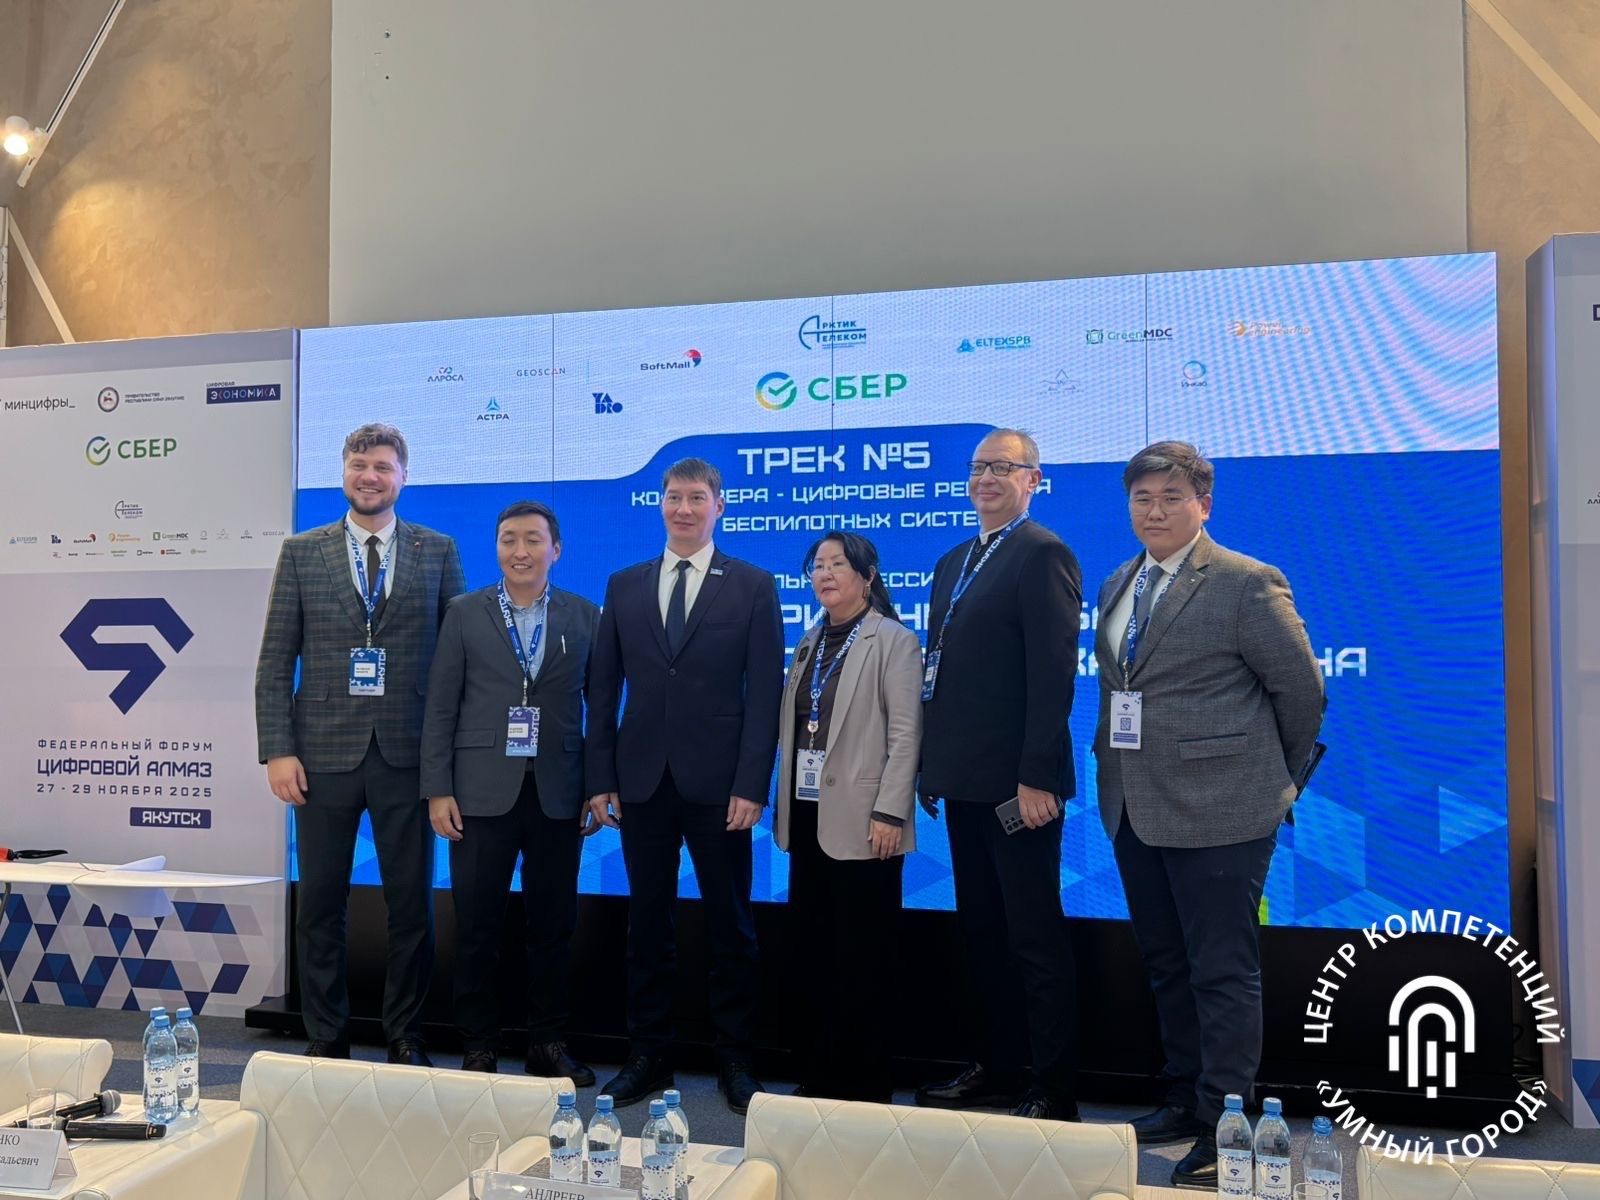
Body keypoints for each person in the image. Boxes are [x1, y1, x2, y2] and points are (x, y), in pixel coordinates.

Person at [1093, 441, 1323, 1188]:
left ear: (1204, 504)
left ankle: (1229, 1127)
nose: (1154, 511)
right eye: (1142, 498)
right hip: (1133, 803)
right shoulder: (1119, 581)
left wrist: (1271, 783)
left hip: (1225, 809)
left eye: (1171, 497)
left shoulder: (1246, 581)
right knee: (1166, 962)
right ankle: (1185, 1099)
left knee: (1222, 970)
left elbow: (1302, 692)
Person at [255, 423, 466, 1063]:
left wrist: (449, 759)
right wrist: (277, 749)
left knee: (411, 905)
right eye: (358, 464)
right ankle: (327, 1034)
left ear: (403, 476)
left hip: (409, 754)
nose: (369, 476)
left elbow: (457, 663)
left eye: (381, 466)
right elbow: (275, 660)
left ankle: (405, 1034)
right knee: (320, 903)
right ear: (343, 472)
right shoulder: (301, 551)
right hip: (320, 756)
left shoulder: (438, 550)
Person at [585, 457, 784, 1114]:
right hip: (641, 782)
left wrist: (752, 783)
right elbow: (603, 691)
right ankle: (648, 1055)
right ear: (660, 504)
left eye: (697, 498)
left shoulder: (752, 585)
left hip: (721, 787)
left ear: (718, 506)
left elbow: (766, 696)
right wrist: (601, 777)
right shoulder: (625, 585)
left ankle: (736, 1058)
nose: (684, 509)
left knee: (731, 925)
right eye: (674, 497)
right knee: (648, 924)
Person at [915, 428, 1083, 1122]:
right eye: (979, 467)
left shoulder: (1042, 553)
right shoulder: (954, 561)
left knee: (1033, 937)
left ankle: (1053, 1084)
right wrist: (931, 765)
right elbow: (941, 673)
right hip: (963, 781)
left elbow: (1053, 672)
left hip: (1020, 791)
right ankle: (998, 1066)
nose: (986, 477)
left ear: (1032, 480)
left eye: (1003, 467)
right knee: (982, 934)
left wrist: (1037, 775)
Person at [419, 500, 600, 1083]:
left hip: (559, 793)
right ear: (496, 547)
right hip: (477, 793)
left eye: (532, 540)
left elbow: (601, 710)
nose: (520, 551)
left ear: (556, 549)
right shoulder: (464, 613)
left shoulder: (585, 615)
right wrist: (437, 788)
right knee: (476, 925)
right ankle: (479, 1045)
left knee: (553, 925)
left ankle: (548, 1042)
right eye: (508, 539)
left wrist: (597, 787)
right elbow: (440, 705)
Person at [773, 531, 922, 1103]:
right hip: (809, 819)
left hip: (866, 822)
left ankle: (865, 1082)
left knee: (864, 956)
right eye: (818, 565)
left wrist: (890, 810)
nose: (825, 573)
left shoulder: (893, 640)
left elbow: (906, 735)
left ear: (867, 575)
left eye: (838, 564)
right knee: (815, 951)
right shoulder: (810, 641)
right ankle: (820, 1073)